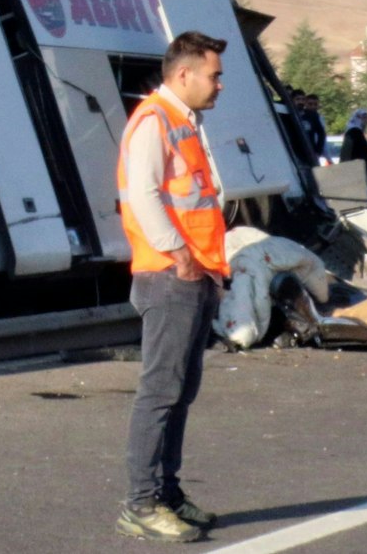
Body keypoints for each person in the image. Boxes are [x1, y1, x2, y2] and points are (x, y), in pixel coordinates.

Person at [116, 31, 230, 543]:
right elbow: (142, 194)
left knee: (180, 392)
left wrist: (206, 269)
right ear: (184, 74)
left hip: (194, 273)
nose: (220, 84)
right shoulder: (155, 120)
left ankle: (167, 494)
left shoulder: (184, 122)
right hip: (170, 274)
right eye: (214, 74)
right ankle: (141, 504)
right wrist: (180, 254)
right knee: (161, 392)